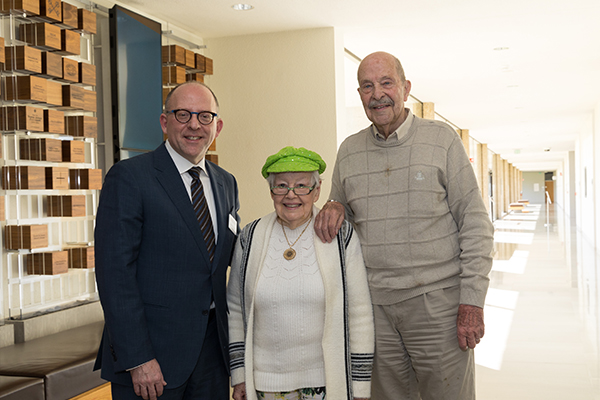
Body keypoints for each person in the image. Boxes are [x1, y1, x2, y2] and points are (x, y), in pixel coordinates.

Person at [314, 52, 494, 400]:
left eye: (386, 83)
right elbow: (340, 216)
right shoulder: (349, 151)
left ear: (406, 88)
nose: (377, 94)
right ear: (359, 94)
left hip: (437, 307)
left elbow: (475, 224)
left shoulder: (442, 140)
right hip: (375, 309)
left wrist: (472, 301)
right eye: (367, 86)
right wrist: (333, 206)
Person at [94, 81, 240, 400]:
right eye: (182, 114)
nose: (193, 125)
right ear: (164, 122)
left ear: (218, 126)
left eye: (204, 116)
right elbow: (114, 275)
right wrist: (138, 359)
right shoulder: (130, 178)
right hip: (151, 361)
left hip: (212, 357)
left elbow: (227, 261)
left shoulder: (226, 183)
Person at [227, 146, 374, 400]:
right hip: (265, 384)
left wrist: (360, 387)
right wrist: (239, 375)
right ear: (271, 191)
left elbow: (359, 312)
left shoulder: (340, 236)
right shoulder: (250, 237)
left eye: (302, 186)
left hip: (327, 382)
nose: (291, 195)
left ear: (317, 191)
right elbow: (235, 309)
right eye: (281, 185)